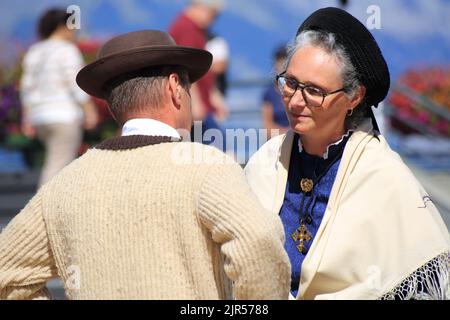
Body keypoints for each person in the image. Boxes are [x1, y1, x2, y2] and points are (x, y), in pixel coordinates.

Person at [0, 30, 290, 300]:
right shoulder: (207, 166)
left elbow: (7, 273)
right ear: (176, 88)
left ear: (113, 105)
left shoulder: (64, 184)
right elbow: (259, 241)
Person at [245, 7, 450, 300]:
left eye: (314, 91)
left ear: (354, 97)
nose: (295, 101)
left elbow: (421, 280)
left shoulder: (384, 177)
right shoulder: (265, 162)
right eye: (290, 83)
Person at [20, 8, 98, 187]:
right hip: (64, 116)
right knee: (57, 167)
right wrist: (90, 111)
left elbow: (27, 88)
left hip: (39, 117)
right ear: (63, 27)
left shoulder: (35, 51)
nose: (76, 31)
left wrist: (27, 118)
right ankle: (43, 210)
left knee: (54, 163)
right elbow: (75, 83)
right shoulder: (67, 50)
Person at [169, 0, 228, 146]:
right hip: (195, 108)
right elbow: (185, 67)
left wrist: (213, 96)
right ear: (201, 8)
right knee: (220, 156)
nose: (213, 20)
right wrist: (194, 103)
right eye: (214, 15)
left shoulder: (192, 28)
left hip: (201, 105)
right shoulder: (186, 29)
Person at [261, 46, 290, 138]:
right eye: (279, 61)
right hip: (277, 140)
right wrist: (288, 136)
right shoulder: (269, 94)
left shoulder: (298, 90)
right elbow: (267, 127)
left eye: (284, 62)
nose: (282, 66)